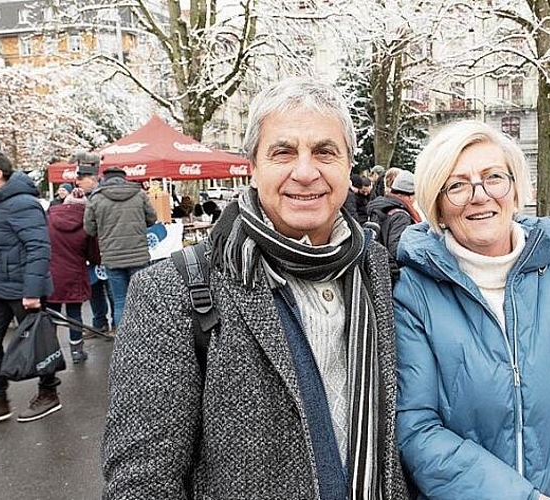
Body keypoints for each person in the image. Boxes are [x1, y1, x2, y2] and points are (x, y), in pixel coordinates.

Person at [101, 78, 408, 499]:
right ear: (254, 165)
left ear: (347, 165)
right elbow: (142, 480)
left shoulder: (373, 264)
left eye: (324, 152)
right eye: (283, 152)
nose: (305, 172)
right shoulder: (171, 289)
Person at [393, 120, 550, 500]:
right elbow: (416, 427)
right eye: (457, 185)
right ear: (437, 204)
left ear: (515, 190)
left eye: (493, 177)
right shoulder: (414, 294)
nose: (479, 195)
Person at [0, 151, 60, 426]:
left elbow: (38, 248)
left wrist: (31, 291)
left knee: (38, 343)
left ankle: (48, 391)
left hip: (22, 289)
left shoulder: (23, 204)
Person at [84, 166, 157, 328]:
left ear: (105, 178)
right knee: (141, 299)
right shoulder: (139, 194)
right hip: (139, 255)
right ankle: (145, 338)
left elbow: (89, 229)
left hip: (111, 256)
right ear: (125, 178)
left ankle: (124, 341)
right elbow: (152, 219)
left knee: (120, 300)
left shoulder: (96, 198)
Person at [46, 188, 97, 363]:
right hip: (75, 274)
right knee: (74, 314)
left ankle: (50, 353)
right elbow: (93, 255)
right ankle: (76, 351)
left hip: (51, 274)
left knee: (52, 315)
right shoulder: (86, 225)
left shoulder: (49, 219)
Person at [73, 152, 115, 333]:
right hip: (89, 251)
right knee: (94, 288)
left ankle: (115, 323)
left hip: (106, 249)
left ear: (92, 178)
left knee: (112, 289)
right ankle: (100, 324)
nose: (78, 183)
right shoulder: (82, 195)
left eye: (81, 180)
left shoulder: (104, 194)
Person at [365, 170, 422, 261]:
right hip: (391, 270)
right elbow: (397, 251)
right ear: (410, 196)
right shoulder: (401, 216)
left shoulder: (379, 206)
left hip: (375, 263)